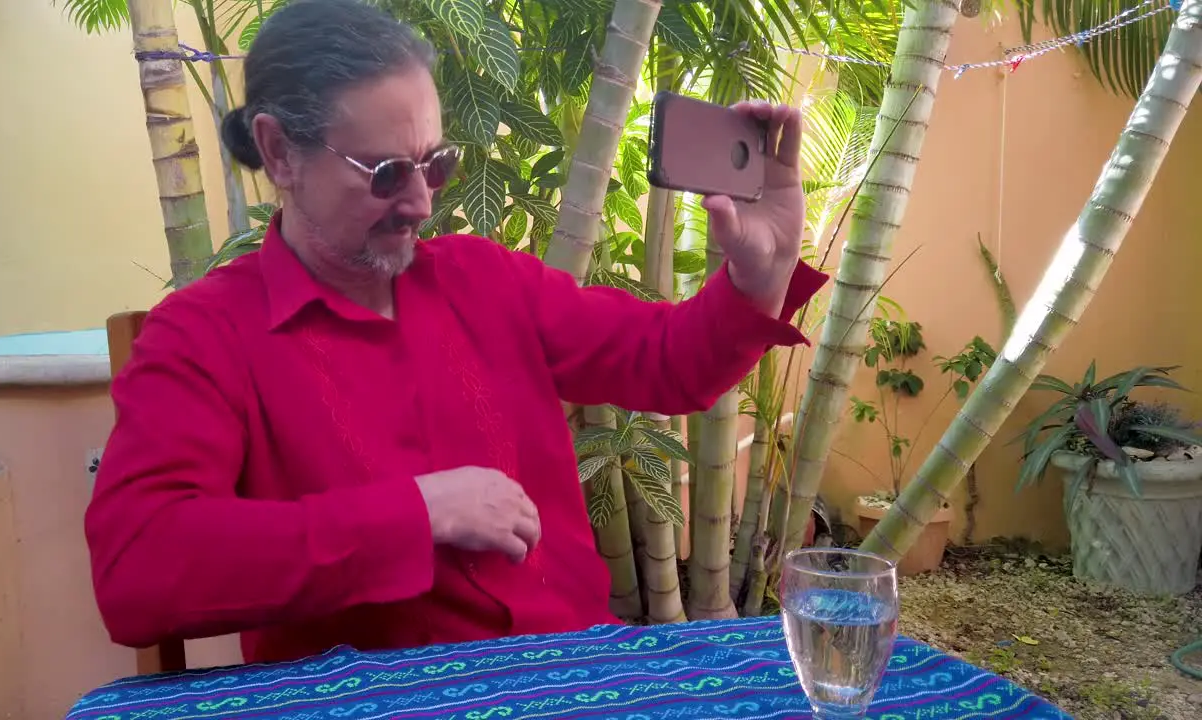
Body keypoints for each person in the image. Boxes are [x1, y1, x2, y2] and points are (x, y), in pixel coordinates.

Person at [84, 0, 828, 665]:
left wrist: (757, 277)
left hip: (574, 670)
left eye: (435, 165)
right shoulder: (204, 335)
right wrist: (416, 513)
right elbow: (139, 570)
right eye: (382, 173)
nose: (418, 202)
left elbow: (667, 365)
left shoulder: (486, 279)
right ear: (280, 152)